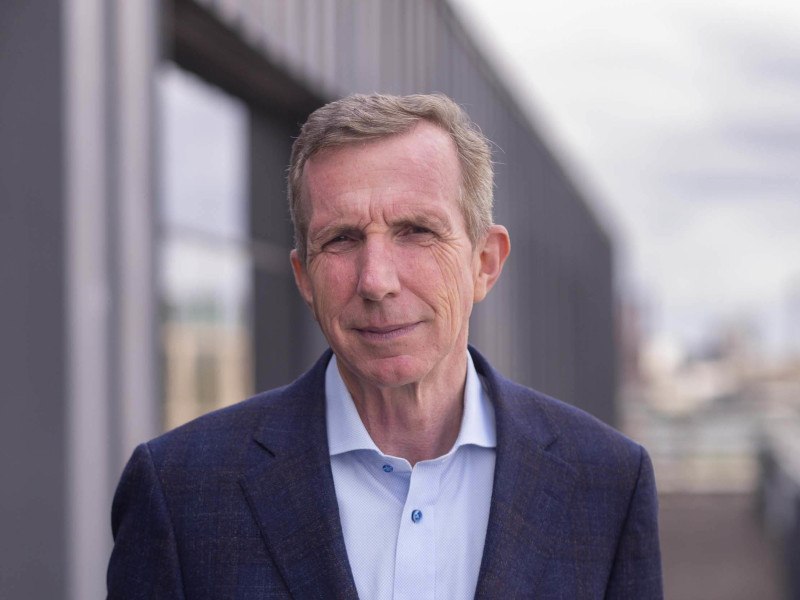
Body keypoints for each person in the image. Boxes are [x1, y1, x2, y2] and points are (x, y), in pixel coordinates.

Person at [107, 93, 662, 599]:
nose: (376, 281)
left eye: (416, 231)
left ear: (484, 263)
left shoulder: (607, 482)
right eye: (341, 239)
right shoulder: (181, 491)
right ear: (303, 277)